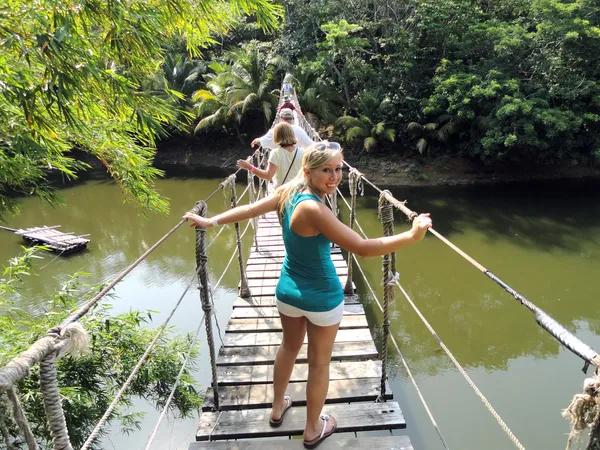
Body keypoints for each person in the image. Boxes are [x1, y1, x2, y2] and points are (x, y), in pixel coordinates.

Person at [183, 142, 432, 449]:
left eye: (338, 168)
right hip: (323, 298)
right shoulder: (314, 208)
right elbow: (362, 248)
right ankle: (312, 430)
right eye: (326, 170)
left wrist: (211, 221)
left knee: (288, 348)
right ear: (308, 170)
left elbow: (250, 209)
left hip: (287, 291)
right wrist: (412, 235)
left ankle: (277, 409)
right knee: (318, 364)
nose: (334, 177)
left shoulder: (287, 192)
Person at [237, 122, 304, 187]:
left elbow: (268, 176)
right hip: (299, 191)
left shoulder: (275, 153)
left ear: (276, 136)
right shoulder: (303, 152)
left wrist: (249, 167)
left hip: (282, 193)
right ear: (292, 134)